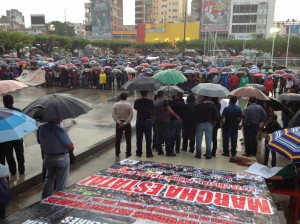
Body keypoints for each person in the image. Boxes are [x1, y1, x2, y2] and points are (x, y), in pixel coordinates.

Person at [38, 118, 74, 199]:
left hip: (48, 157)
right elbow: (69, 146)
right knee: (61, 181)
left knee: (49, 178)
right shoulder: (60, 130)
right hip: (61, 158)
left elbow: (40, 141)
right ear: (56, 119)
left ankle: (45, 198)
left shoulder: (41, 128)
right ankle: (59, 199)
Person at [2, 95, 25, 175]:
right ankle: (21, 170)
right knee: (20, 153)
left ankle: (13, 171)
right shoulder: (18, 111)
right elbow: (23, 123)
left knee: (9, 155)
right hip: (17, 136)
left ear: (3, 103)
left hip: (6, 138)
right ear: (13, 101)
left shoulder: (1, 113)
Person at [153, 90, 181, 157]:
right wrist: (177, 116)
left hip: (156, 121)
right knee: (167, 136)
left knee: (158, 136)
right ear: (162, 95)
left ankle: (160, 151)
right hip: (165, 120)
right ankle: (169, 152)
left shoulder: (154, 102)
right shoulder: (164, 101)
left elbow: (152, 112)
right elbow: (170, 111)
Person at [112, 92, 133, 157]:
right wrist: (125, 123)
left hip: (119, 123)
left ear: (120, 97)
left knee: (118, 138)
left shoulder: (116, 104)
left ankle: (117, 151)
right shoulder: (129, 105)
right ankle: (128, 152)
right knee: (128, 138)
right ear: (126, 97)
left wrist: (119, 122)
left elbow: (113, 115)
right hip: (127, 123)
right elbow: (131, 115)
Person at [134, 91, 154, 158]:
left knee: (139, 137)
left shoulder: (137, 101)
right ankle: (149, 153)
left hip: (139, 120)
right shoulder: (150, 101)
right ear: (147, 94)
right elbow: (152, 109)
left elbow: (135, 108)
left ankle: (139, 153)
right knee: (148, 138)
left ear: (140, 94)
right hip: (148, 120)